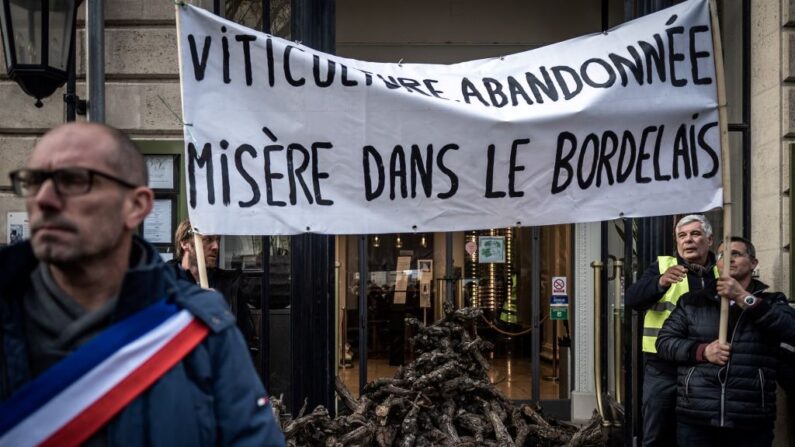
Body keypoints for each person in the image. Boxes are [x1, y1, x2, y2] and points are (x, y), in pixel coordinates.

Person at [0, 122, 284, 446]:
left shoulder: (203, 331)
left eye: (73, 180)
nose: (45, 199)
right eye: (34, 181)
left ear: (136, 206)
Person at [656, 237, 795, 446]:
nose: (728, 259)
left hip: (749, 418)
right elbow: (664, 343)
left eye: (736, 254)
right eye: (722, 255)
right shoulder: (692, 302)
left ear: (754, 263)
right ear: (717, 264)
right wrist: (703, 351)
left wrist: (743, 297)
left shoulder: (772, 301)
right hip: (697, 416)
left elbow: (790, 329)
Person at [624, 214, 718, 446]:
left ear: (710, 240)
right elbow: (632, 299)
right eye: (682, 236)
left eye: (695, 234)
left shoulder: (722, 271)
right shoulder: (663, 266)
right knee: (656, 432)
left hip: (705, 367)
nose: (688, 240)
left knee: (700, 434)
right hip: (662, 366)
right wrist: (660, 283)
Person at [170, 219, 256, 347]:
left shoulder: (229, 285)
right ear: (185, 243)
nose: (216, 246)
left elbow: (245, 336)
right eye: (208, 240)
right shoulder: (165, 282)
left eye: (218, 240)